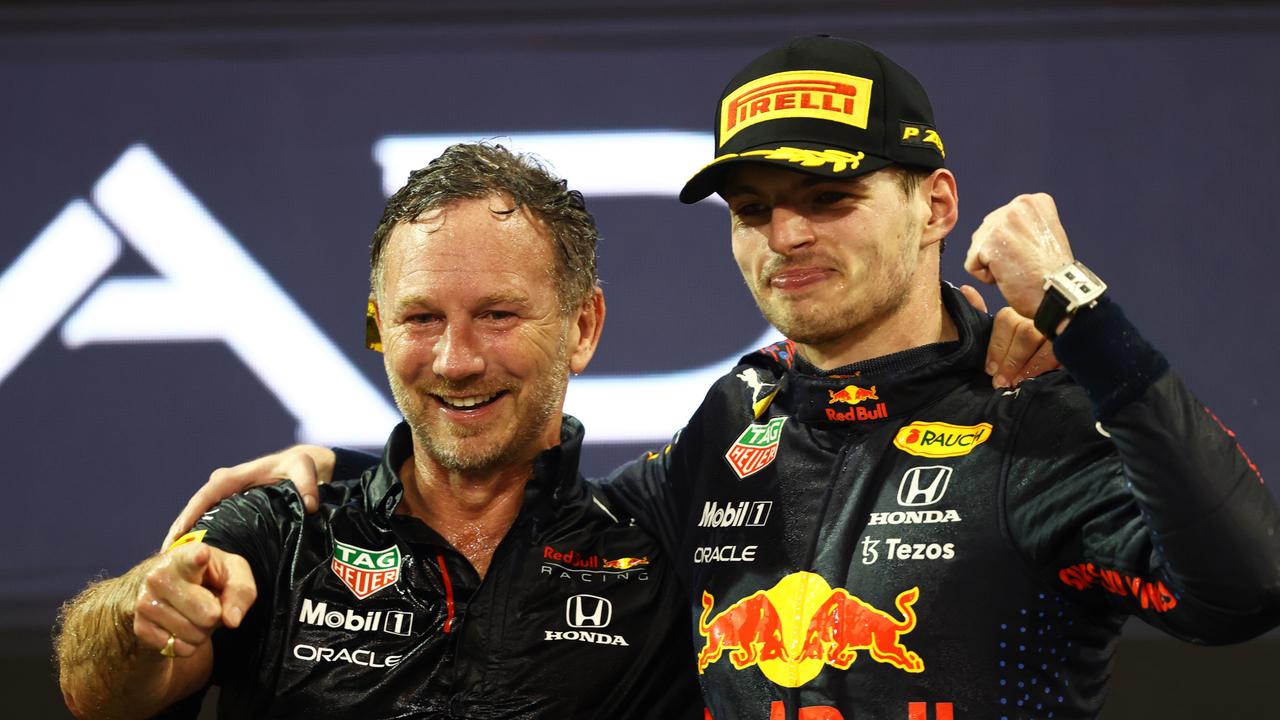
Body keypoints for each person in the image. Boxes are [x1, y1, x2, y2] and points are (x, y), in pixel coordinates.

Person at [164, 35, 1280, 719]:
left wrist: (1079, 317)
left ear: (934, 205)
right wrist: (332, 479)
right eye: (752, 209)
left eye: (827, 196)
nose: (783, 233)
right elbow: (539, 522)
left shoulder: (1032, 417)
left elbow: (1242, 591)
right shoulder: (730, 421)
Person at [54, 143, 705, 719]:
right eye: (420, 318)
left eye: (498, 314)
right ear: (378, 329)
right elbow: (95, 694)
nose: (456, 360)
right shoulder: (283, 532)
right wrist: (141, 609)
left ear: (583, 327)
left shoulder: (663, 555)